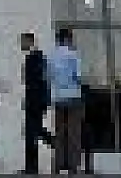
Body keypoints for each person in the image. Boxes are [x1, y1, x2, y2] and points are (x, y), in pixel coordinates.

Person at [47, 28, 84, 175]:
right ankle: (73, 165)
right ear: (68, 39)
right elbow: (78, 77)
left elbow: (49, 76)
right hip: (73, 97)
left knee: (60, 132)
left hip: (58, 98)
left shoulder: (52, 56)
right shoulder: (74, 55)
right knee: (74, 132)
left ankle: (58, 164)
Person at [19, 32, 53, 174]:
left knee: (33, 132)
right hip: (35, 101)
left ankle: (56, 143)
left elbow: (37, 82)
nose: (21, 44)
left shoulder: (35, 58)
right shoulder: (37, 58)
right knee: (33, 133)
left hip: (35, 102)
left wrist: (34, 101)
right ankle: (31, 166)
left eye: (23, 41)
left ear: (30, 41)